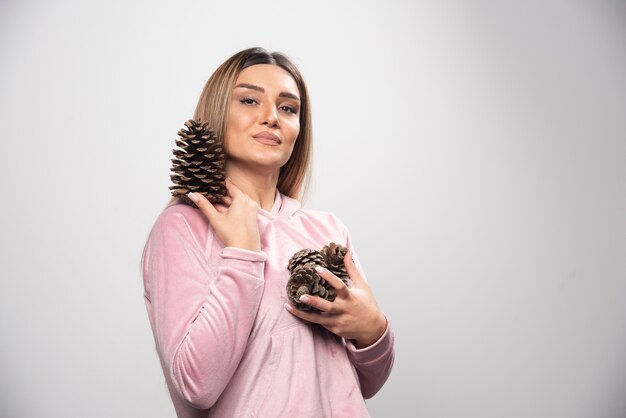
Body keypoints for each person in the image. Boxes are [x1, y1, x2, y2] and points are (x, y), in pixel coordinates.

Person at [140, 47, 395, 418]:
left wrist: (372, 329)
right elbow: (196, 385)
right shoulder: (183, 227)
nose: (271, 117)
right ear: (217, 114)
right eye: (249, 100)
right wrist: (243, 254)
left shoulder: (327, 230)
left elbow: (366, 383)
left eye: (288, 108)